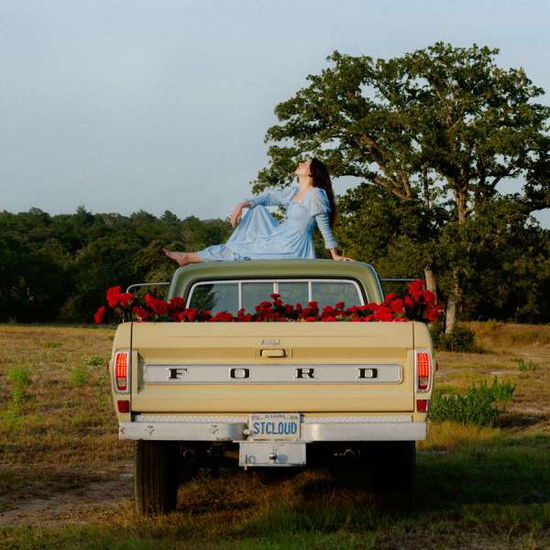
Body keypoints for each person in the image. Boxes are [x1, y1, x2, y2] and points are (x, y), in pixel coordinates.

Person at [163, 158, 354, 266]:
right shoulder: (294, 192)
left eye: (305, 163)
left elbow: (324, 227)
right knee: (257, 209)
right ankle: (190, 257)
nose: (301, 163)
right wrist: (243, 204)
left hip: (291, 246)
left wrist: (335, 255)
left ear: (312, 172)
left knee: (240, 251)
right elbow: (269, 198)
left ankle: (187, 257)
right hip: (279, 236)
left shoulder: (315, 195)